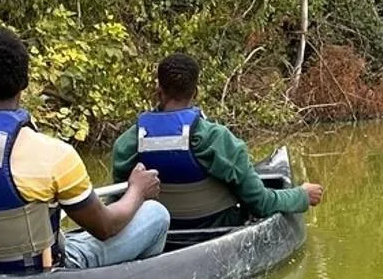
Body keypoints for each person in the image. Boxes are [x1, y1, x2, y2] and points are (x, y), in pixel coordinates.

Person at [0, 26, 169, 274]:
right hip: (45, 275)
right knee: (156, 213)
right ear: (24, 83)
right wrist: (137, 190)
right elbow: (106, 227)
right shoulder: (54, 156)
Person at [112, 53, 323, 230]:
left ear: (159, 91)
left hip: (158, 234)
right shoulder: (218, 140)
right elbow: (261, 204)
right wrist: (301, 196)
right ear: (195, 92)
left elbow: (119, 206)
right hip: (216, 229)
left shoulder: (127, 144)